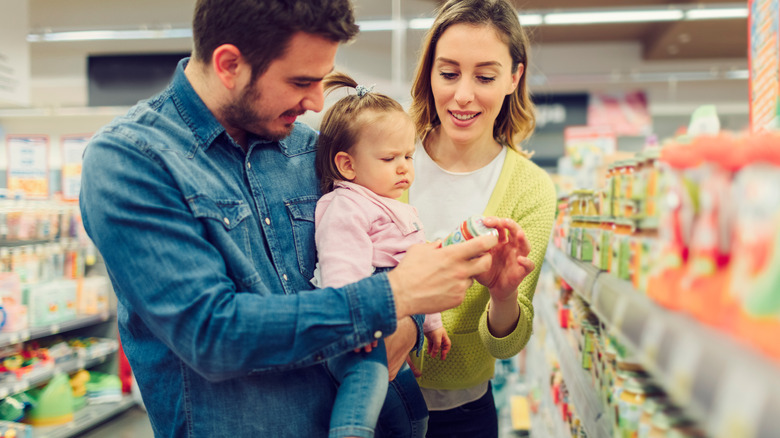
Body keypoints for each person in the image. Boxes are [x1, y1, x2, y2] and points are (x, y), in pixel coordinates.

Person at [78, 1, 501, 437]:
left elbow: (388, 259)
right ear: (229, 65)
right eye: (301, 81)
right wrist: (393, 298)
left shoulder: (310, 151)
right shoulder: (131, 161)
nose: (317, 100)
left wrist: (411, 320)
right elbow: (212, 334)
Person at [404, 0, 558, 436]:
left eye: (485, 76)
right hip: (370, 397)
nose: (463, 95)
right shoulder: (385, 156)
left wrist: (505, 296)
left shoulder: (530, 189)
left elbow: (506, 343)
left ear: (514, 77)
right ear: (429, 73)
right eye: (448, 73)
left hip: (463, 416)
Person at [313, 72, 450, 438]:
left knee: (413, 416)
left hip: (393, 316)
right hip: (363, 323)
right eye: (390, 158)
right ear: (348, 165)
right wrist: (356, 320)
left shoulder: (397, 206)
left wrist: (432, 323)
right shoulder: (345, 204)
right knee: (366, 385)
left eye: (408, 155)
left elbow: (417, 268)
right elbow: (341, 267)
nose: (405, 166)